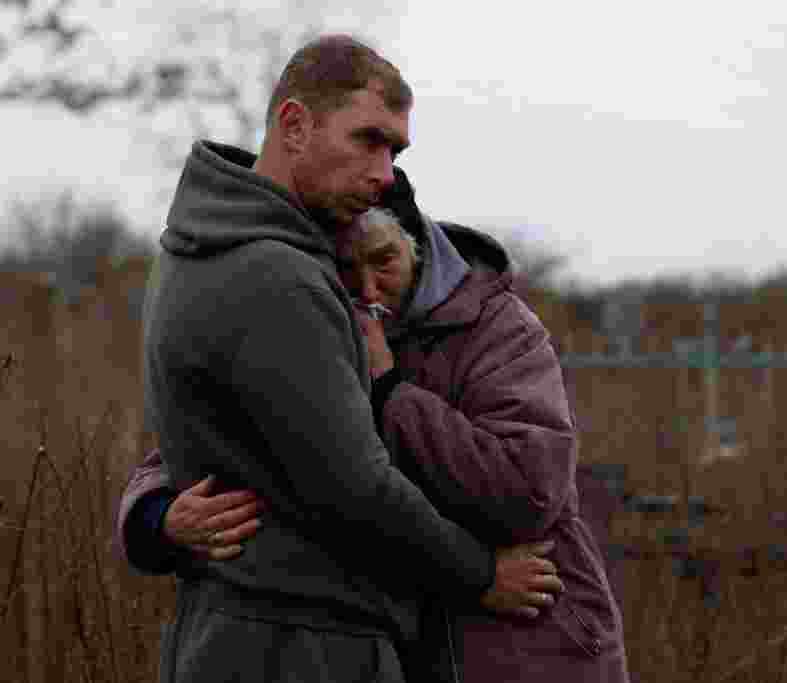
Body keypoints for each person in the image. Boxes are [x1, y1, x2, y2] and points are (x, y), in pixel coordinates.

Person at [126, 34, 564, 683]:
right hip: (301, 645)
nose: (385, 172)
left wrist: (154, 520)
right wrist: (482, 574)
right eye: (368, 139)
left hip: (270, 632)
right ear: (295, 125)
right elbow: (357, 487)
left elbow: (251, 433)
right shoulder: (279, 274)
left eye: (395, 150)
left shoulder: (206, 243)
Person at [118, 166, 631, 682]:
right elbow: (210, 433)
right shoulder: (308, 322)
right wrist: (158, 518)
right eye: (345, 268)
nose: (367, 289)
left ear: (420, 247)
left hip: (528, 637)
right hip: (398, 643)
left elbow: (528, 489)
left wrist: (389, 391)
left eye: (384, 260)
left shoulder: (498, 330)